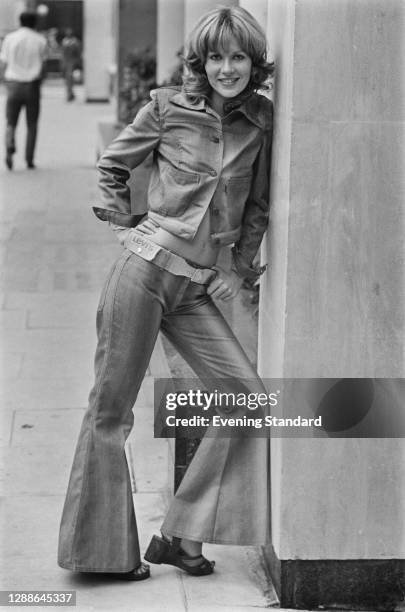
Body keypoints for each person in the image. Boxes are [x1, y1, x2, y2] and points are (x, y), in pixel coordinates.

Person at [58, 6, 274, 581]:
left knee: (248, 401)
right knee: (111, 411)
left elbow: (257, 205)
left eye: (238, 56)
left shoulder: (259, 121)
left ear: (254, 62)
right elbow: (112, 167)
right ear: (200, 63)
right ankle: (98, 555)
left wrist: (239, 264)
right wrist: (126, 223)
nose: (227, 67)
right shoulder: (166, 107)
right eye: (216, 57)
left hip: (196, 289)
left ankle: (181, 534)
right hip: (145, 272)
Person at [0, 11, 47, 170]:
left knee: (10, 122)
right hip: (32, 86)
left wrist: (5, 81)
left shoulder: (9, 38)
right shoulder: (40, 40)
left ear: (19, 22)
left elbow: (3, 63)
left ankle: (8, 147)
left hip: (13, 84)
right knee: (32, 124)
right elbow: (44, 67)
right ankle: (29, 159)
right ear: (35, 23)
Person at [60, 28, 81, 102]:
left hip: (72, 62)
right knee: (68, 79)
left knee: (70, 79)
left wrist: (78, 63)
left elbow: (78, 53)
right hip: (66, 61)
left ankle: (70, 94)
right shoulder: (64, 41)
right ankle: (70, 93)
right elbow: (62, 53)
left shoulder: (75, 42)